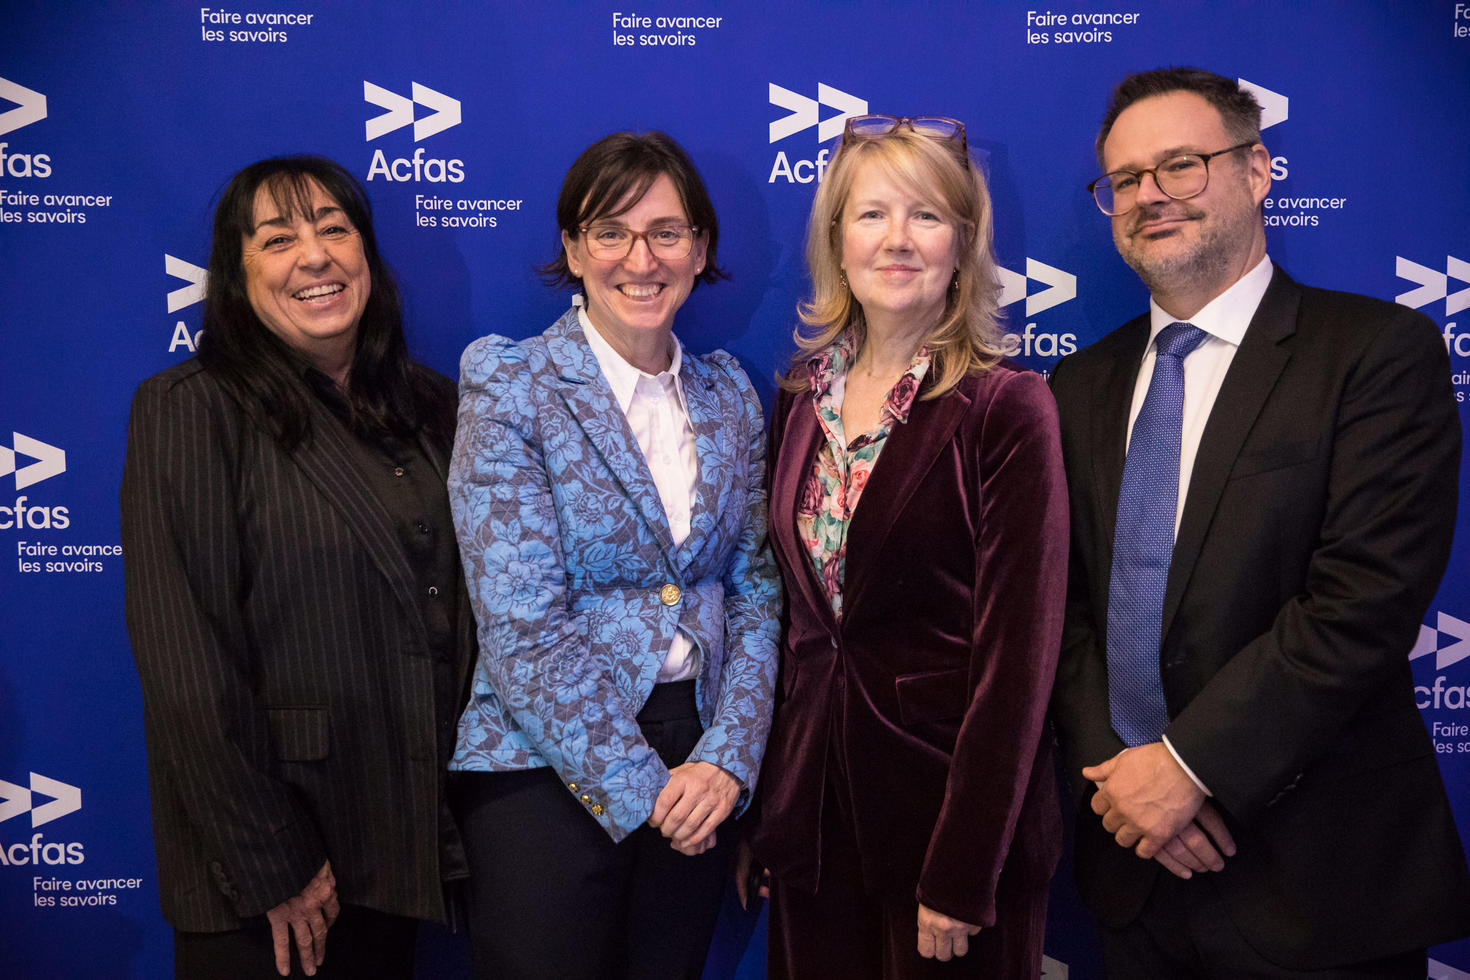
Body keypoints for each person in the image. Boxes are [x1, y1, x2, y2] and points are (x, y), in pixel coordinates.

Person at [1048, 67, 1470, 977]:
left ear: (1257, 170)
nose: (1150, 195)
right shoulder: (1077, 385)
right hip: (1132, 877)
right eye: (1126, 179)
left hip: (1319, 883)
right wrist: (1124, 788)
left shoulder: (1374, 354)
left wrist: (1188, 769)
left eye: (1181, 165)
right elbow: (1063, 609)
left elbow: (1362, 602)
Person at [121, 156, 473, 978]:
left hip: (401, 850)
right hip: (268, 878)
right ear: (237, 276)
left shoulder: (433, 406)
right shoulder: (191, 409)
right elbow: (186, 664)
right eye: (278, 239)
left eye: (335, 229)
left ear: (367, 255)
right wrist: (273, 862)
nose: (315, 256)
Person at [446, 130, 781, 979]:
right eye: (611, 232)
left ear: (699, 249)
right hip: (541, 767)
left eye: (666, 232)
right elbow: (521, 625)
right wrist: (645, 789)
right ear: (573, 248)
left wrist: (728, 759)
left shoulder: (731, 396)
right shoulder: (512, 385)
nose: (641, 259)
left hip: (697, 762)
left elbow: (755, 589)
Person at [746, 115, 1069, 978]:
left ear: (962, 246)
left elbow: (1019, 662)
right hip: (814, 831)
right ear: (836, 242)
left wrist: (964, 871)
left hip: (947, 835)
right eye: (871, 214)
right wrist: (773, 816)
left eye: (926, 215)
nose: (897, 239)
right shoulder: (799, 397)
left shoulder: (1007, 406)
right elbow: (796, 631)